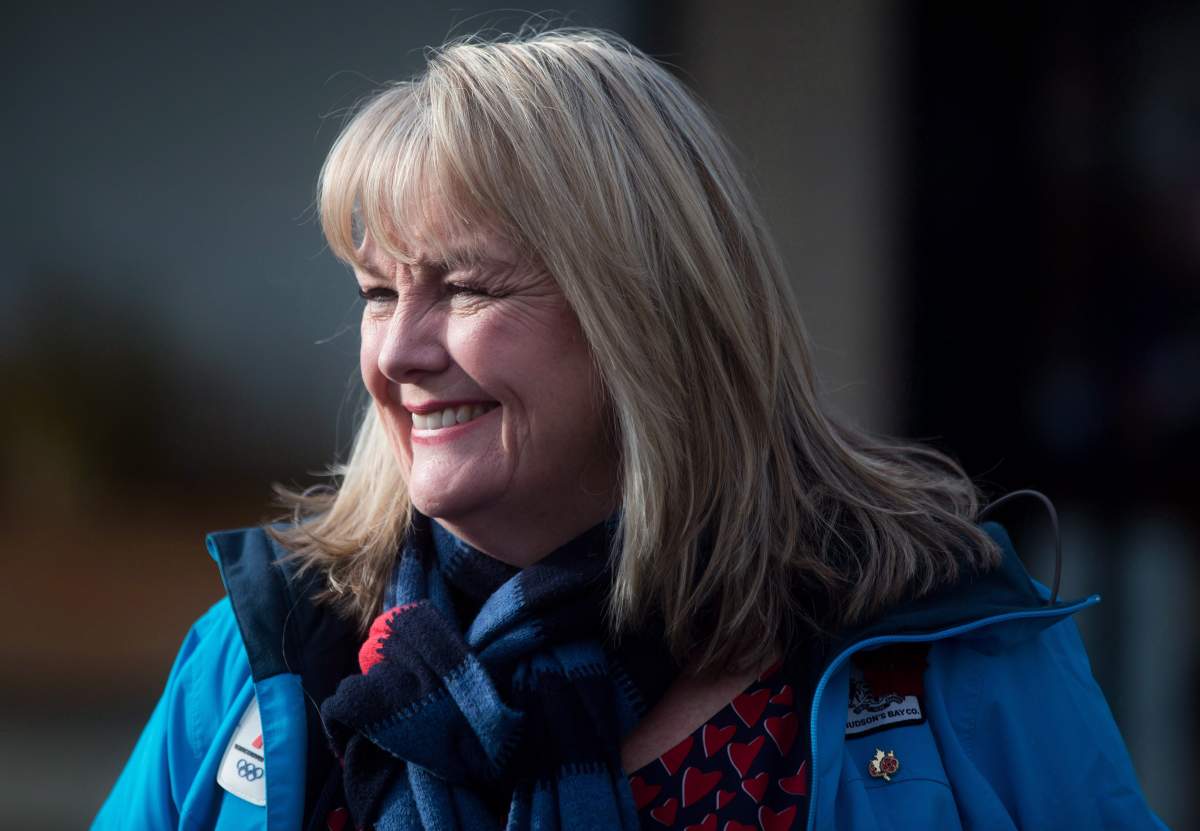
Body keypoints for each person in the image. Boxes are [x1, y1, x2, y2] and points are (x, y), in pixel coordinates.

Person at [92, 28, 1164, 831]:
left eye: (462, 287)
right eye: (378, 292)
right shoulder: (269, 654)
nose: (400, 351)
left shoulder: (942, 650)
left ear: (644, 317)